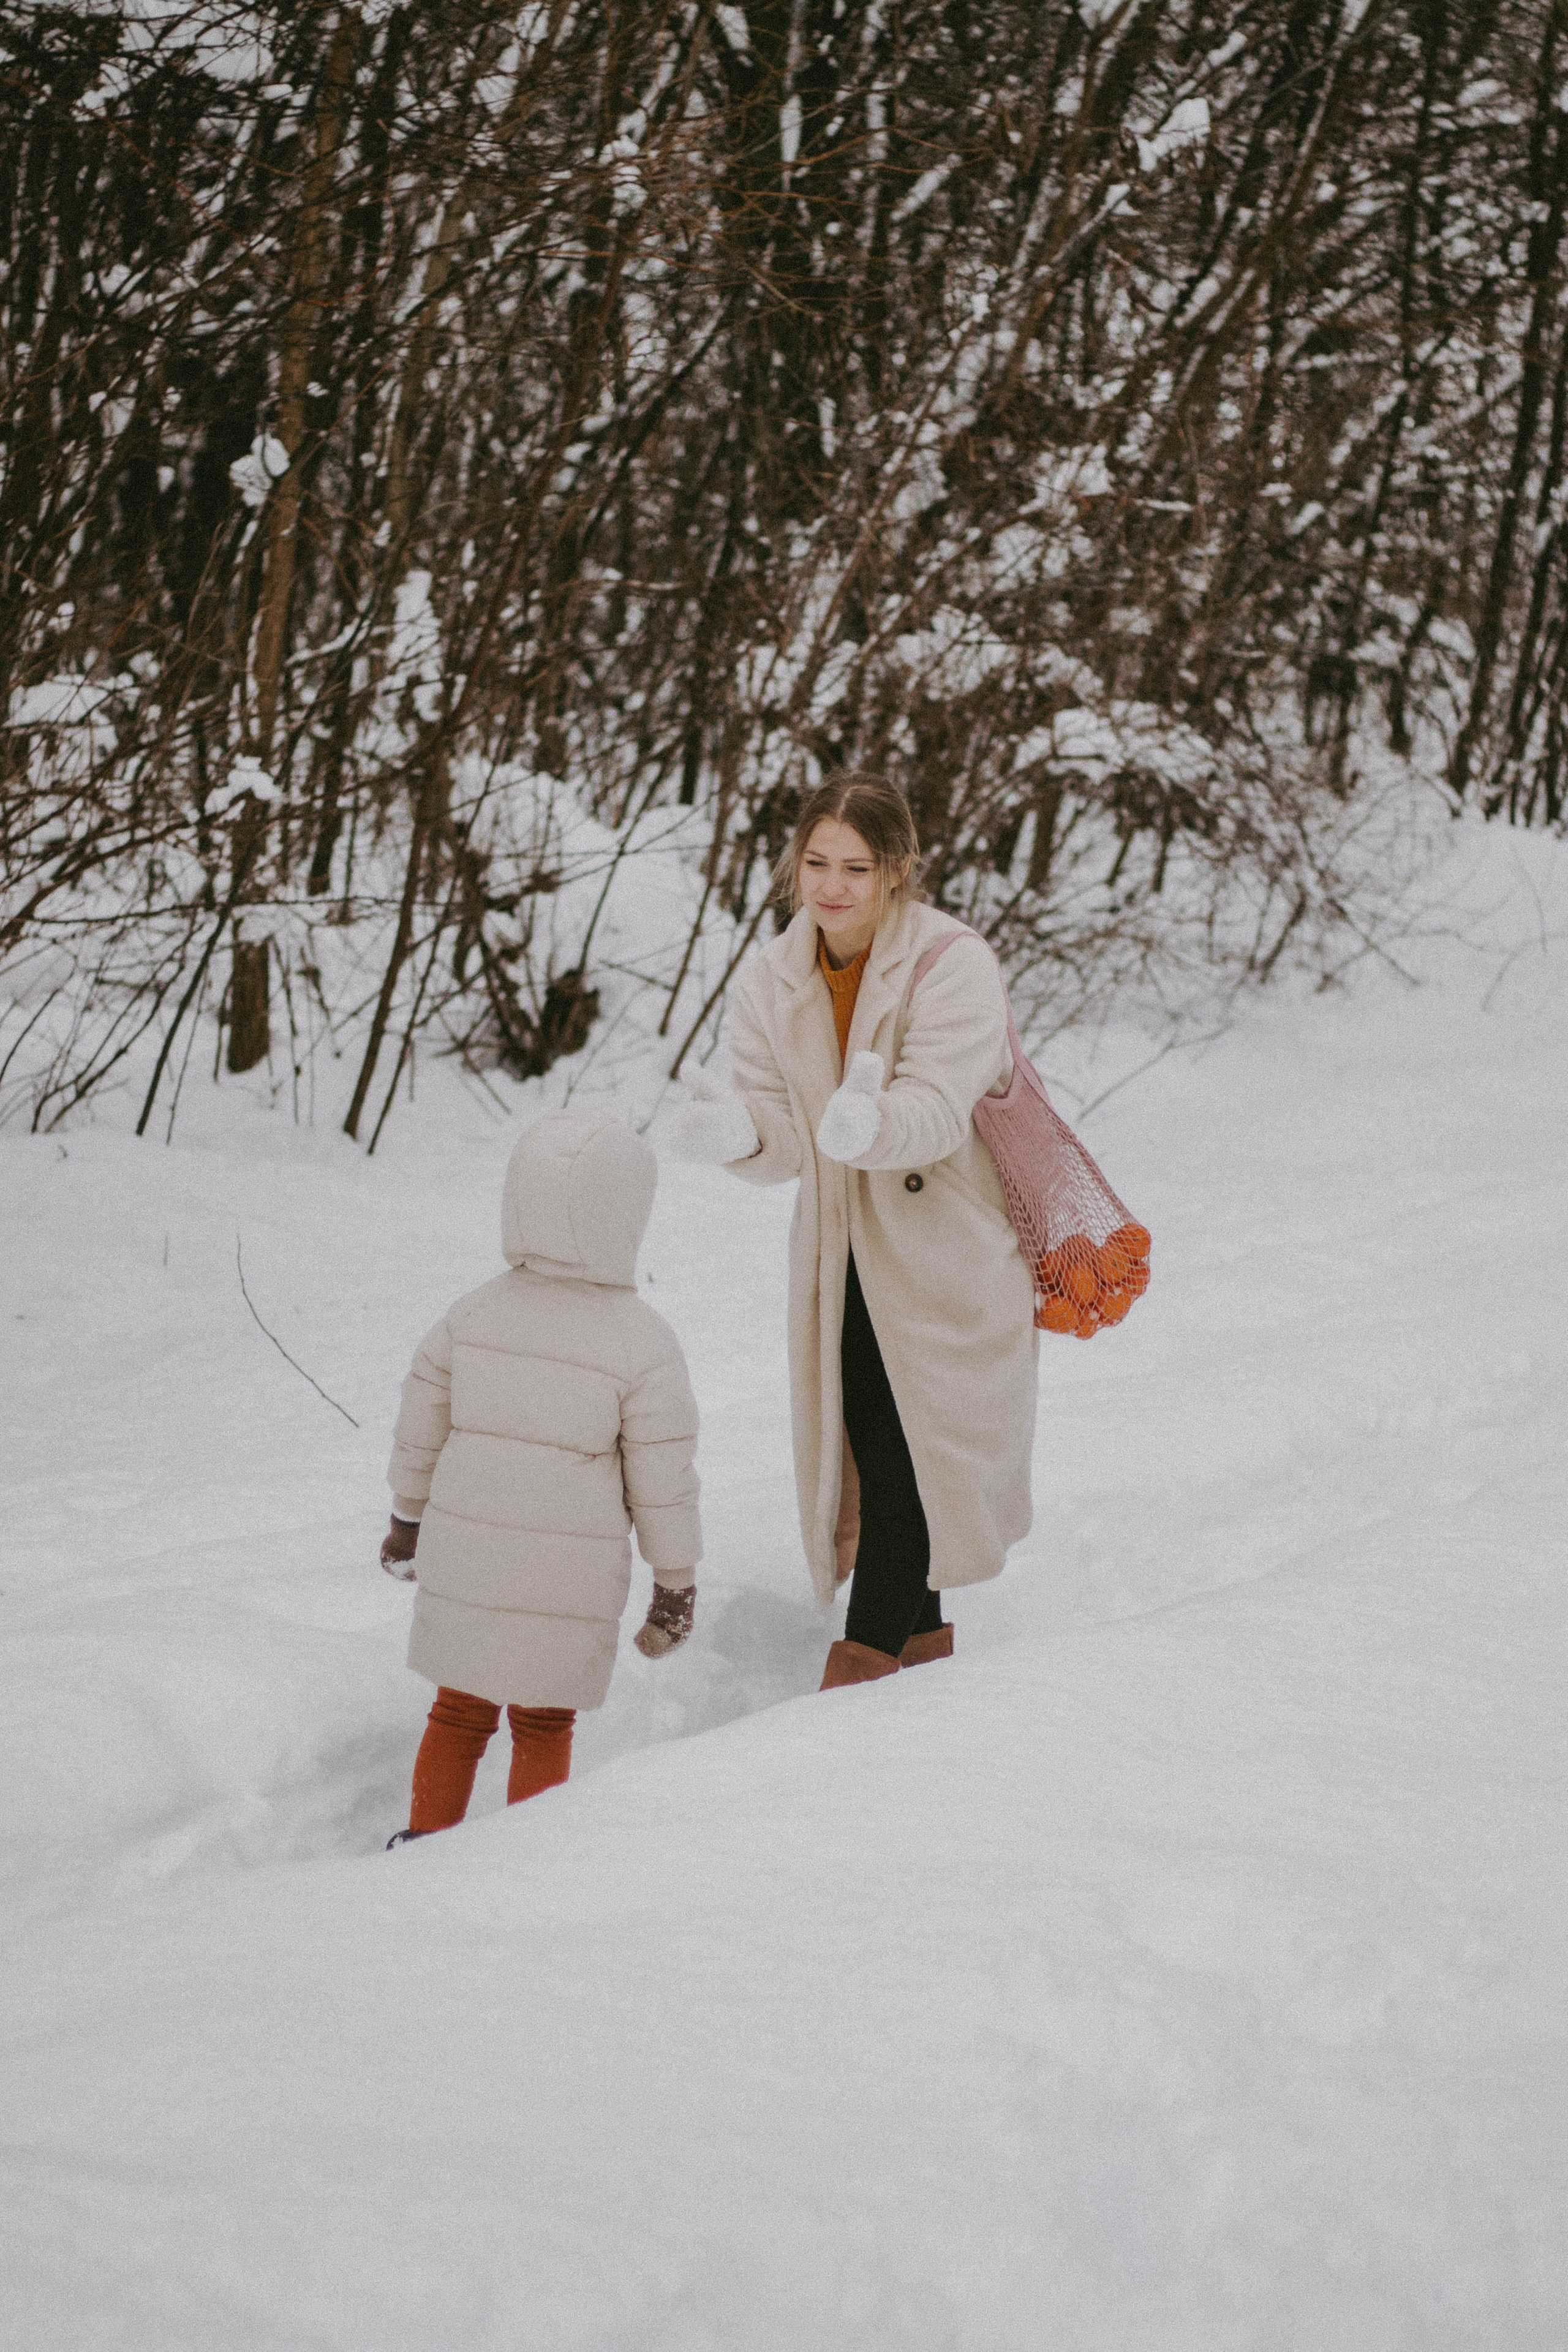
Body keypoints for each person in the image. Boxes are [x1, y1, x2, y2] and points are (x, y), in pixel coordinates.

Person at [670, 775, 1037, 1689]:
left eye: (857, 868)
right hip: (841, 1252)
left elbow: (937, 1109)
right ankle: (918, 1672)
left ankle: (856, 1683)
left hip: (943, 1250)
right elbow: (786, 1140)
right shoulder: (772, 976)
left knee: (918, 1451)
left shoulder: (954, 963)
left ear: (900, 872)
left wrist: (870, 1126)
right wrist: (743, 1136)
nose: (832, 887)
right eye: (817, 862)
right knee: (881, 1451)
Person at [379, 1107, 701, 1841]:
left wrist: (407, 1519)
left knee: (457, 1709)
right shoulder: (644, 1342)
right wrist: (674, 1579)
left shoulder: (473, 1314)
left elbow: (418, 1423)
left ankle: (425, 1841)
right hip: (568, 1572)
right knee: (543, 1722)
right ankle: (521, 1859)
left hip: (467, 1556)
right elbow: (664, 1476)